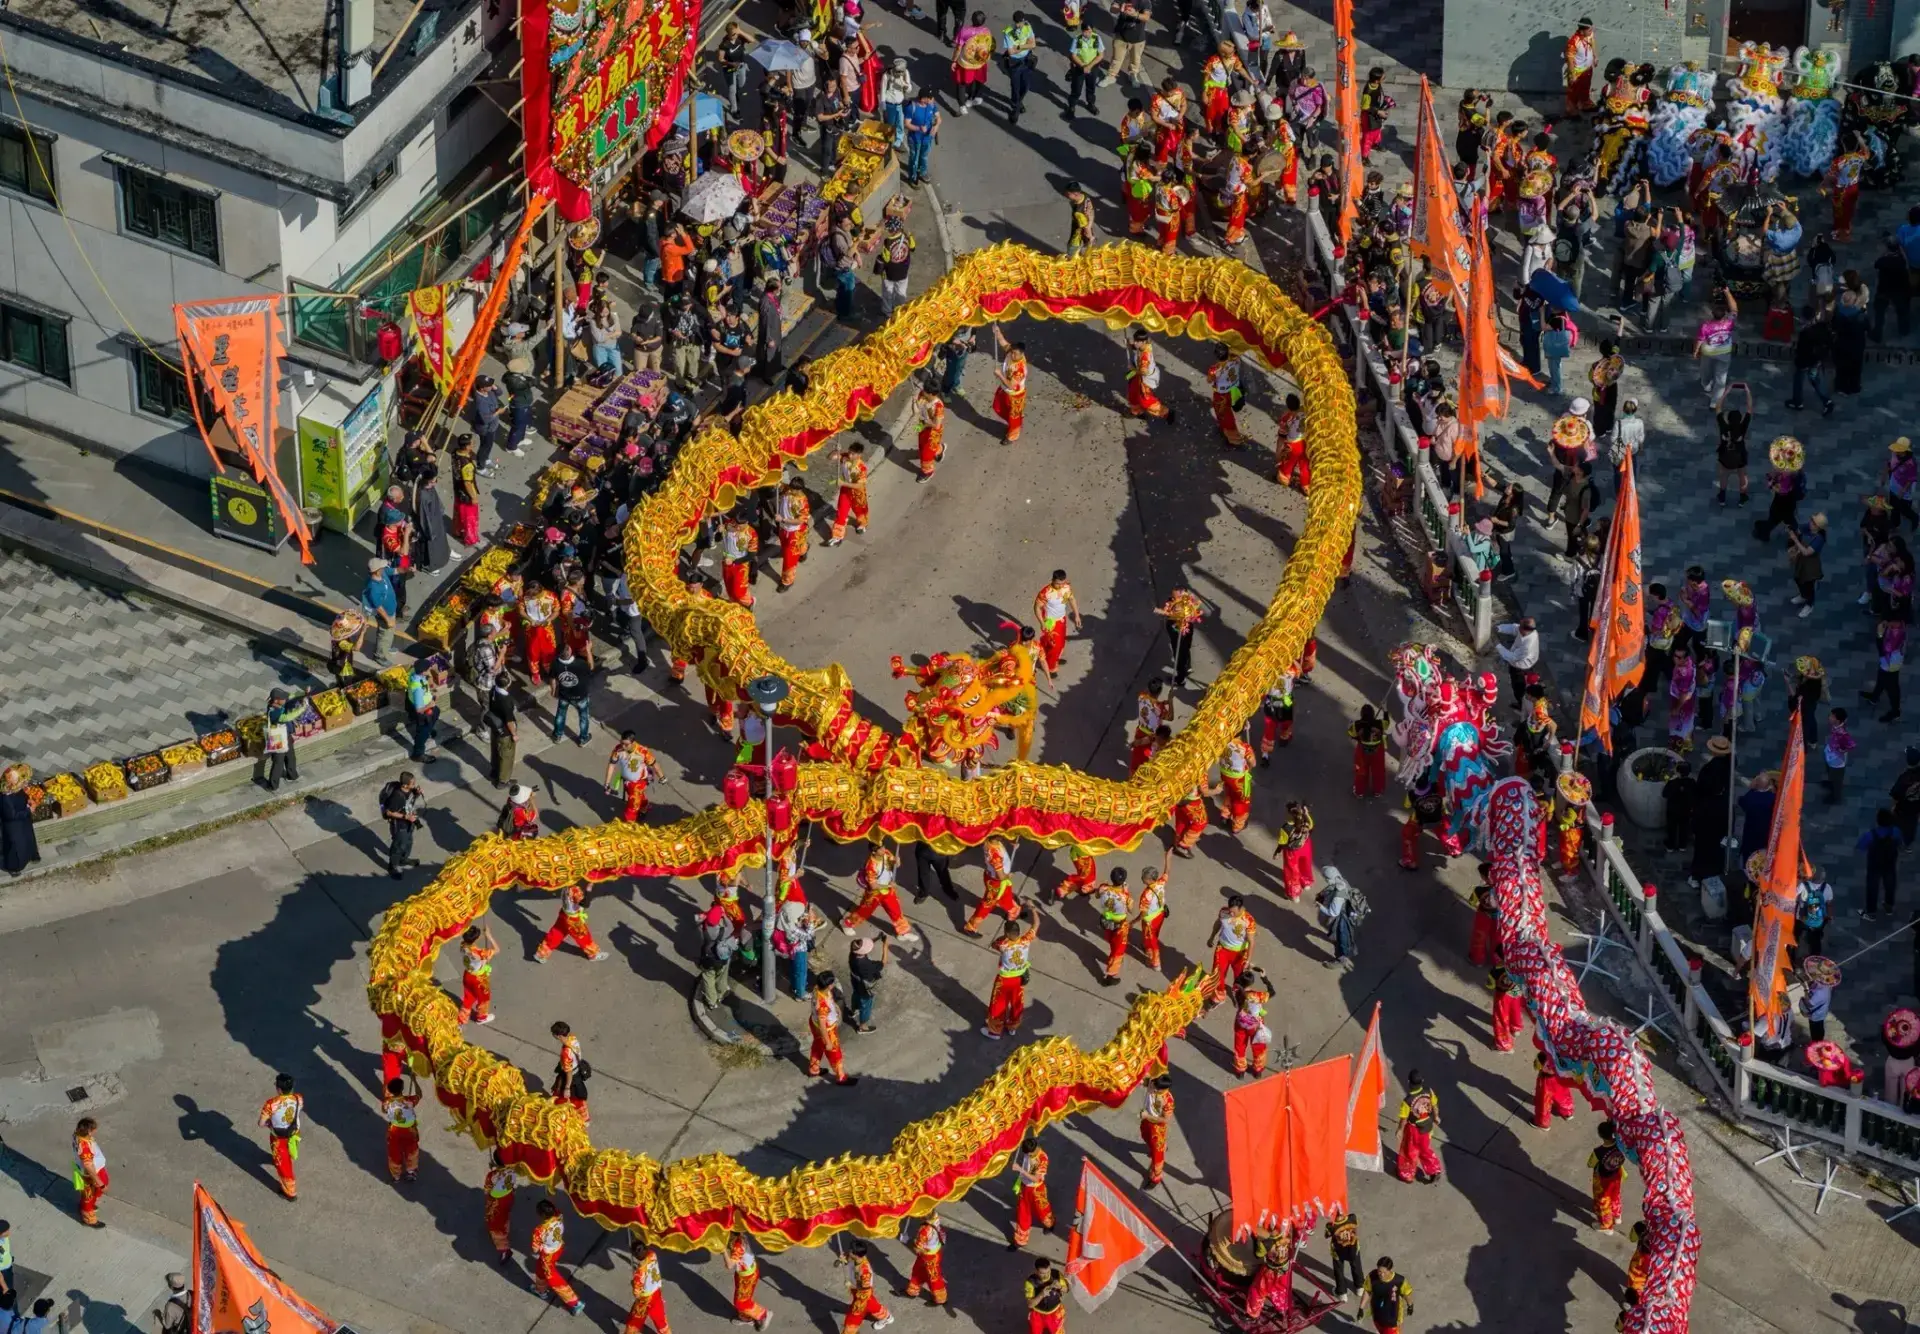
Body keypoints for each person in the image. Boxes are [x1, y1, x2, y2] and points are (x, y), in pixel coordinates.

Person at [984, 905, 1040, 1037]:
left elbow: (993, 944)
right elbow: (1036, 924)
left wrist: (1004, 936)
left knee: (999, 1004)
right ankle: (1012, 1027)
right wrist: (1033, 909)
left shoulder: (1003, 944)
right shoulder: (1026, 940)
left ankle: (995, 1031)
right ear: (1019, 932)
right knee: (1017, 1003)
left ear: (1007, 934)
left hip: (1004, 980)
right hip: (1020, 979)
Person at [531, 1201, 586, 1315]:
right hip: (558, 1248)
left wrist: (540, 1246)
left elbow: (535, 1249)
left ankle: (574, 1302)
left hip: (547, 1255)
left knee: (554, 1278)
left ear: (541, 1215)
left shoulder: (540, 1230)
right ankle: (540, 1289)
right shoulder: (559, 1216)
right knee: (539, 1267)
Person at [257, 1073, 303, 1200]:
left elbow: (261, 1123)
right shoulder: (299, 1099)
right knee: (289, 1151)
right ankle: (286, 1157)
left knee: (284, 1166)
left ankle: (290, 1191)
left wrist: (269, 1124)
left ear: (279, 1089)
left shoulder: (271, 1104)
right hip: (294, 1133)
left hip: (279, 1138)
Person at [538, 883, 607, 963]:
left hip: (564, 914)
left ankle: (541, 954)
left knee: (556, 933)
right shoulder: (575, 889)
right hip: (574, 920)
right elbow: (585, 904)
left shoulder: (566, 884)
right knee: (584, 937)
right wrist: (588, 890)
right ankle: (593, 954)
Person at [808, 972, 856, 1084]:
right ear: (829, 986)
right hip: (827, 1031)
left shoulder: (817, 989)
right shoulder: (822, 1005)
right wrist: (828, 1042)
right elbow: (822, 1024)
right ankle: (841, 1077)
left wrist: (836, 1008)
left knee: (817, 1046)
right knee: (835, 1053)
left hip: (813, 1023)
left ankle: (814, 1069)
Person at [1394, 1073, 1441, 1183]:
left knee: (1410, 1151)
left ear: (1408, 1082)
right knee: (1425, 1149)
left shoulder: (1407, 1101)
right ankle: (1434, 1170)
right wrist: (1436, 1117)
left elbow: (1404, 1118)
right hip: (1427, 1126)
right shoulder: (1429, 1091)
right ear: (1422, 1081)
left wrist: (1400, 1129)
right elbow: (1434, 1105)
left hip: (1414, 1130)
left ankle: (1407, 1174)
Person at [1033, 570, 1081, 675]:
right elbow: (1037, 608)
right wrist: (1042, 623)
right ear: (1052, 580)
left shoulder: (1066, 588)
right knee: (1054, 646)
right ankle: (1050, 667)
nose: (1060, 586)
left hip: (1062, 620)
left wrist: (1077, 615)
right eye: (1058, 583)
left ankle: (1053, 658)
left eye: (1062, 583)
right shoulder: (1045, 592)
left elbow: (1072, 599)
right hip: (1050, 622)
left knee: (1061, 642)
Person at [1010, 1132, 1054, 1247]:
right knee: (1022, 1213)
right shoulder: (1030, 1150)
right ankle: (1020, 1240)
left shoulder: (1042, 1159)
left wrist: (1020, 1169)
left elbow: (1036, 1178)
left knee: (1042, 1211)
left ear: (1031, 1152)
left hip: (1036, 1189)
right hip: (1025, 1186)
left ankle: (1050, 1224)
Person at [1694, 290, 1739, 400]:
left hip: (1708, 352)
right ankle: (1715, 401)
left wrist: (1695, 351)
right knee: (1721, 377)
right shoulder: (1729, 322)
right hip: (1724, 351)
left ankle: (1706, 385)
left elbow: (1699, 340)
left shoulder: (1706, 326)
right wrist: (1727, 292)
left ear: (1712, 315)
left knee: (1705, 370)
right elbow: (1734, 308)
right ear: (1725, 315)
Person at [378, 771, 423, 879]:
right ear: (405, 785)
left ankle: (403, 859)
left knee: (408, 842)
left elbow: (409, 801)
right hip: (399, 826)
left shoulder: (410, 790)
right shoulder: (397, 796)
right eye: (412, 783)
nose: (414, 785)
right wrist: (405, 817)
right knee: (398, 846)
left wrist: (417, 793)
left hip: (409, 823)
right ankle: (392, 867)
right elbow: (389, 812)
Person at [1092, 868, 1133, 985]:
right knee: (1118, 951)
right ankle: (1109, 976)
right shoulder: (1125, 896)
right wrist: (1126, 891)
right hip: (1120, 926)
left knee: (1111, 941)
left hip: (1106, 921)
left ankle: (1111, 957)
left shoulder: (1103, 888)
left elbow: (1097, 895)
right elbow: (1130, 909)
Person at [381, 1072, 423, 1183]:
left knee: (394, 1152)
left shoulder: (387, 1103)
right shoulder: (409, 1100)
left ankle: (396, 1175)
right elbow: (419, 1094)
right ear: (402, 1089)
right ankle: (411, 1171)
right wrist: (415, 1081)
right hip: (410, 1131)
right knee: (411, 1150)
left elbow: (384, 1110)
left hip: (394, 1131)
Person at [1861, 808, 1902, 920]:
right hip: (1890, 863)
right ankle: (1889, 906)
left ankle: (1871, 912)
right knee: (1890, 884)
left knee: (1872, 887)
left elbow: (1861, 846)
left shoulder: (1870, 835)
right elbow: (1899, 843)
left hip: (1874, 864)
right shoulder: (1896, 832)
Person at [550, 644, 595, 744]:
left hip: (564, 695)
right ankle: (583, 738)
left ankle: (557, 736)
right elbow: (591, 666)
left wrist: (553, 690)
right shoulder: (580, 663)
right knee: (583, 717)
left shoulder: (555, 663)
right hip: (580, 696)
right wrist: (588, 650)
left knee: (560, 715)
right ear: (569, 651)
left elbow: (552, 679)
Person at [1589, 1121, 1626, 1232]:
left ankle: (1606, 1226)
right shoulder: (1620, 1144)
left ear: (1600, 1135)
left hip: (1604, 1180)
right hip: (1617, 1175)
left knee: (1603, 1201)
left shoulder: (1598, 1151)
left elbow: (1590, 1163)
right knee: (1615, 1195)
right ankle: (1617, 1216)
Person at [906, 1211, 949, 1306]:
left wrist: (907, 1240)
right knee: (918, 1271)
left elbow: (917, 1249)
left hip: (929, 1257)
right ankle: (912, 1291)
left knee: (934, 1278)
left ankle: (941, 1299)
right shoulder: (935, 1215)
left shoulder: (924, 1230)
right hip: (935, 1251)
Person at [993, 332, 1030, 441]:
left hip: (1014, 396)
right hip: (1005, 391)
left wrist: (1000, 375)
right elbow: (1003, 342)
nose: (1012, 355)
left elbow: (1011, 385)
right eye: (1012, 352)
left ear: (1021, 354)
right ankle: (1011, 425)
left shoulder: (1020, 369)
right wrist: (997, 332)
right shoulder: (1011, 351)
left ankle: (1012, 436)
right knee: (999, 408)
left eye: (1015, 354)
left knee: (1014, 417)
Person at [1495, 618, 1540, 703]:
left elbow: (1512, 657)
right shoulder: (1527, 631)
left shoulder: (1527, 646)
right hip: (1528, 660)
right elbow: (1514, 628)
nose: (1518, 627)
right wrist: (1499, 628)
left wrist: (1497, 645)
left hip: (1520, 666)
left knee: (1518, 686)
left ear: (1525, 630)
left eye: (1520, 627)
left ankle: (1521, 702)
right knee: (1527, 682)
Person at [73, 1116, 107, 1226]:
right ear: (88, 1132)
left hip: (92, 1169)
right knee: (88, 1195)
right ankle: (89, 1218)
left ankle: (88, 1205)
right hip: (90, 1174)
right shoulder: (84, 1146)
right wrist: (100, 1183)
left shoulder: (77, 1134)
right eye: (93, 1130)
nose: (95, 1131)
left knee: (89, 1195)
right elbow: (88, 1165)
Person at [847, 936, 886, 1031]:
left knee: (856, 995)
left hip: (855, 981)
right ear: (863, 952)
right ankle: (862, 1027)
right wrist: (885, 946)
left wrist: (877, 938)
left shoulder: (852, 954)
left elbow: (861, 946)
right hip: (865, 988)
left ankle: (853, 1010)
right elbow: (883, 963)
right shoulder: (866, 965)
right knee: (866, 1005)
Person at [1064, 25, 1104, 118]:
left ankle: (1090, 104)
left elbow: (1101, 55)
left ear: (1092, 30)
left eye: (1089, 31)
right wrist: (1083, 66)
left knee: (1091, 88)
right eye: (1085, 31)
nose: (1087, 34)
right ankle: (1071, 107)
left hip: (1092, 67)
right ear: (1082, 31)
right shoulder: (1077, 39)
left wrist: (1089, 66)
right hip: (1079, 67)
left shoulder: (1097, 38)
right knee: (1076, 89)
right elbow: (1073, 55)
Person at [1365, 1258, 1414, 1333]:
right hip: (1377, 1314)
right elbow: (1367, 1291)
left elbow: (1406, 1294)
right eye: (1379, 1271)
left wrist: (1410, 1305)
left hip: (1393, 1318)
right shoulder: (1372, 1276)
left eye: (1384, 1272)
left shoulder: (1399, 1281)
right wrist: (1361, 1308)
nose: (1382, 1274)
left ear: (1390, 1270)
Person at [903, 88, 941, 185]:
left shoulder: (931, 105)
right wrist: (918, 128)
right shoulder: (911, 107)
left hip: (927, 139)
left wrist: (936, 126)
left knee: (924, 157)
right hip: (915, 139)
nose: (932, 99)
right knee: (914, 159)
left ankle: (922, 173)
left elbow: (939, 118)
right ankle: (913, 177)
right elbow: (907, 124)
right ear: (923, 98)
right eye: (930, 98)